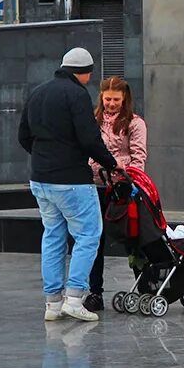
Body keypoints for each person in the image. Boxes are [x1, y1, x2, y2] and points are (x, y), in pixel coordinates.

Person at [19, 48, 118, 322]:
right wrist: (110, 163)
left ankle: (52, 303)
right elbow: (89, 138)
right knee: (88, 235)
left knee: (53, 237)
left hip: (40, 179)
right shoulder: (76, 95)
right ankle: (74, 298)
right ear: (85, 72)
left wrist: (45, 159)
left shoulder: (38, 92)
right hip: (72, 181)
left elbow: (23, 136)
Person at [85, 76, 148, 311]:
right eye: (107, 99)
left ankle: (144, 286)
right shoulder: (93, 120)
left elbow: (139, 157)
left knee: (134, 237)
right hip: (95, 185)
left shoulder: (134, 123)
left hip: (123, 186)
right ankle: (95, 292)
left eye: (116, 100)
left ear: (125, 99)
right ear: (101, 97)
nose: (111, 103)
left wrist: (130, 179)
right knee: (95, 240)